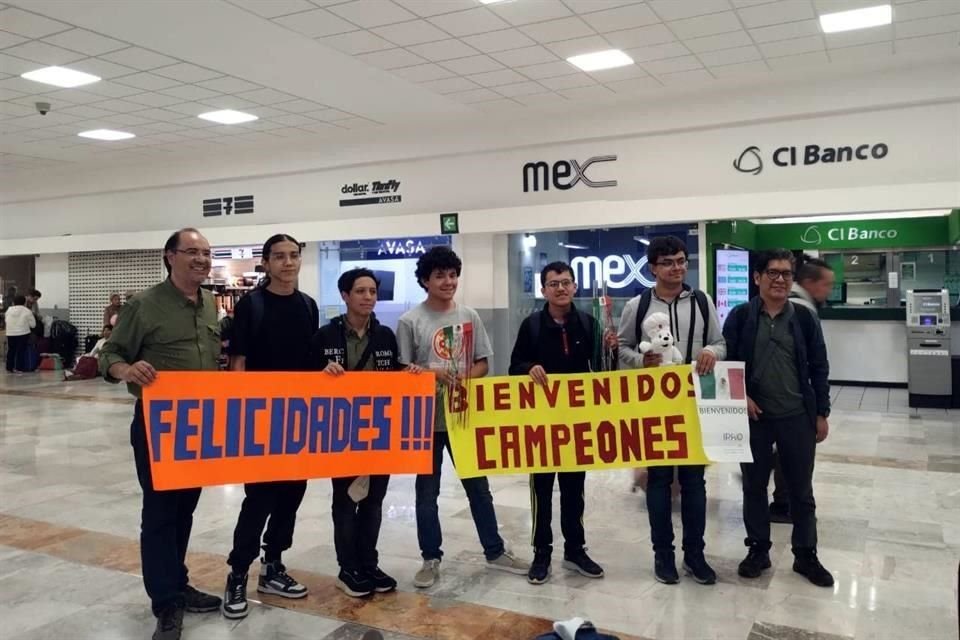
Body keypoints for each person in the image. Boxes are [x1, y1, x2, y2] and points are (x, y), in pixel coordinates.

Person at [99, 228, 223, 640]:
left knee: (185, 509)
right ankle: (166, 602)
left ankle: (178, 582)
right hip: (158, 425)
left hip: (200, 424)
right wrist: (127, 370)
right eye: (192, 252)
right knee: (159, 513)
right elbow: (111, 355)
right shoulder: (144, 305)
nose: (201, 259)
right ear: (170, 256)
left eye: (206, 253)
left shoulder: (209, 304)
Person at [397, 246, 529, 588]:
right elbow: (402, 371)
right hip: (425, 420)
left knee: (479, 490)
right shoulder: (409, 321)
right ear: (425, 280)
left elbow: (484, 362)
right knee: (426, 494)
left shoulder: (469, 316)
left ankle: (495, 550)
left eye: (453, 275)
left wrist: (466, 376)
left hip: (463, 416)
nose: (448, 281)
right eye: (440, 275)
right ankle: (430, 557)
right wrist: (435, 375)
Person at [616, 235, 725, 586]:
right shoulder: (638, 305)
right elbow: (621, 350)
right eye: (668, 262)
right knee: (659, 481)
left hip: (694, 404)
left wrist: (712, 352)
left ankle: (695, 555)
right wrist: (639, 360)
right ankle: (663, 555)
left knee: (694, 481)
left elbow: (721, 342)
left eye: (681, 261)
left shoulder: (702, 302)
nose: (677, 268)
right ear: (653, 268)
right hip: (654, 406)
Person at [723, 249, 834, 588]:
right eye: (773, 272)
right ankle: (758, 550)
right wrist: (742, 398)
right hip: (754, 419)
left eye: (786, 273)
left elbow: (819, 367)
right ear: (757, 278)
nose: (780, 279)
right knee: (754, 487)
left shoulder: (803, 318)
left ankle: (806, 555)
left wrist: (821, 412)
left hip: (797, 416)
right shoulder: (740, 317)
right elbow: (729, 367)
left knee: (801, 491)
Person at [221, 234, 319, 620]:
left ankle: (273, 564)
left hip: (298, 420)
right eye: (279, 257)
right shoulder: (252, 305)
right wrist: (240, 417)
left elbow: (311, 362)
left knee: (292, 496)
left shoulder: (308, 306)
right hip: (261, 420)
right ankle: (238, 571)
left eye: (293, 256)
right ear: (266, 262)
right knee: (259, 499)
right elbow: (238, 363)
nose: (288, 263)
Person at [312, 268, 422, 598]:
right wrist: (321, 374)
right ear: (345, 296)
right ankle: (348, 568)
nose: (368, 297)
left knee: (374, 501)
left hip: (379, 433)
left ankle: (368, 562)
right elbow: (303, 382)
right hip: (339, 433)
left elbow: (397, 376)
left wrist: (411, 373)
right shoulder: (325, 337)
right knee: (346, 501)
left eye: (372, 291)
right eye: (360, 291)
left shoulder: (385, 336)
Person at [509, 261, 616, 585]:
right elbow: (514, 366)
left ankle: (575, 550)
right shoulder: (531, 325)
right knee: (541, 490)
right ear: (543, 289)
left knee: (574, 489)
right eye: (553, 283)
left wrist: (610, 350)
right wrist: (529, 368)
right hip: (541, 424)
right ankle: (542, 553)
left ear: (574, 287)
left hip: (575, 423)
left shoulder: (588, 323)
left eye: (566, 283)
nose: (560, 288)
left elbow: (602, 371)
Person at [770, 257, 836, 523]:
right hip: (792, 399)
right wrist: (819, 409)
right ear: (809, 282)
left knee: (786, 451)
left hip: (793, 399)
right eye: (826, 284)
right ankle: (785, 502)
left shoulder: (798, 305)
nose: (829, 290)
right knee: (793, 453)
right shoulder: (799, 308)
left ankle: (781, 496)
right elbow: (815, 363)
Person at [4, 295, 35, 373]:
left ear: (13, 302)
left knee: (11, 350)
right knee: (21, 350)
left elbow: (6, 320)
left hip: (10, 333)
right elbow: (33, 325)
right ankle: (19, 368)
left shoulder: (9, 310)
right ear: (24, 302)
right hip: (23, 333)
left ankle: (9, 367)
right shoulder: (27, 311)